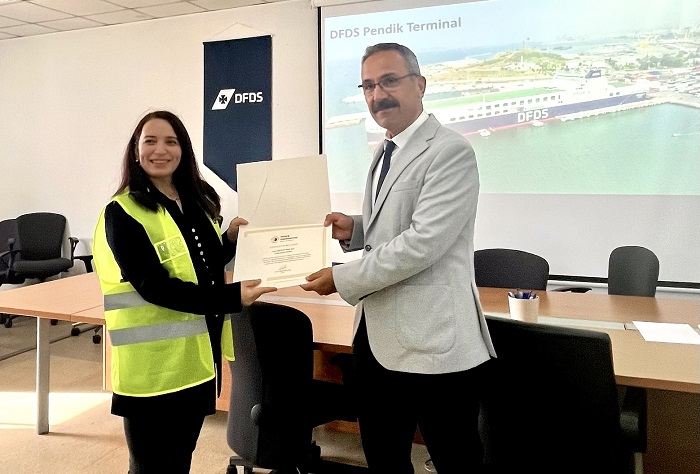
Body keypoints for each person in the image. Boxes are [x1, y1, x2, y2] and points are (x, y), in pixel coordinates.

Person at [301, 43, 496, 473]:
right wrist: (356, 229)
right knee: (384, 458)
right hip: (376, 338)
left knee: (456, 460)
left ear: (420, 84)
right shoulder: (385, 149)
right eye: (368, 86)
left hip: (433, 342)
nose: (377, 95)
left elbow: (424, 242)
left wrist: (343, 278)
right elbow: (397, 225)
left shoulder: (450, 150)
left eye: (389, 81)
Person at [92, 110, 276, 473]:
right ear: (135, 151)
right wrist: (231, 297)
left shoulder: (195, 202)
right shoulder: (122, 212)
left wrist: (229, 240)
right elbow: (153, 286)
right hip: (151, 370)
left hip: (197, 361)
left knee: (179, 461)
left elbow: (200, 263)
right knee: (150, 466)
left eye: (171, 142)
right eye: (150, 141)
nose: (160, 150)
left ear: (183, 150)